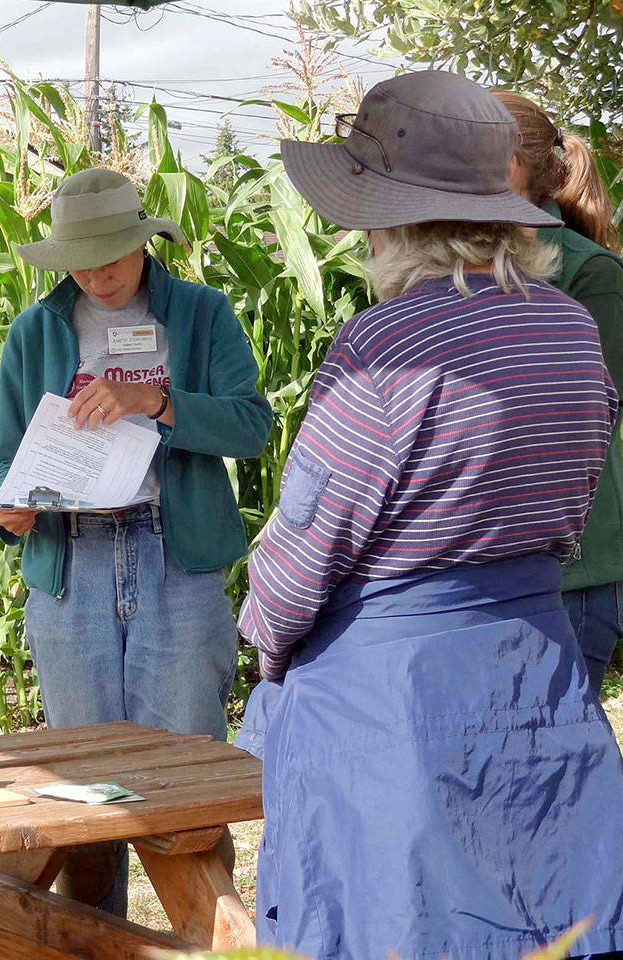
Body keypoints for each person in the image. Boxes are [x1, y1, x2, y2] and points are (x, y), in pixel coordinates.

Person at [235, 70, 623, 960]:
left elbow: (298, 568)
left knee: (395, 932)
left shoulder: (386, 343)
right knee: (544, 927)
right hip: (539, 677)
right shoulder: (568, 326)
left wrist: (267, 644)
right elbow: (568, 512)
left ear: (389, 220)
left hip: (391, 710)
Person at [0, 167, 270, 915]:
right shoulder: (35, 331)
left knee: (189, 786)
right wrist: (9, 509)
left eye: (113, 253)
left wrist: (156, 400)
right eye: (81, 260)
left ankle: (205, 929)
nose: (98, 273)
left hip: (174, 561)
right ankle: (94, 937)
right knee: (83, 798)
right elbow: (8, 458)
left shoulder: (204, 315)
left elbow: (253, 425)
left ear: (145, 242)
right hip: (69, 564)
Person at [494, 89, 623, 697]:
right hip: (495, 567)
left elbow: (596, 419)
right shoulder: (456, 264)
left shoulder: (589, 273)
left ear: (515, 167)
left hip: (568, 575)